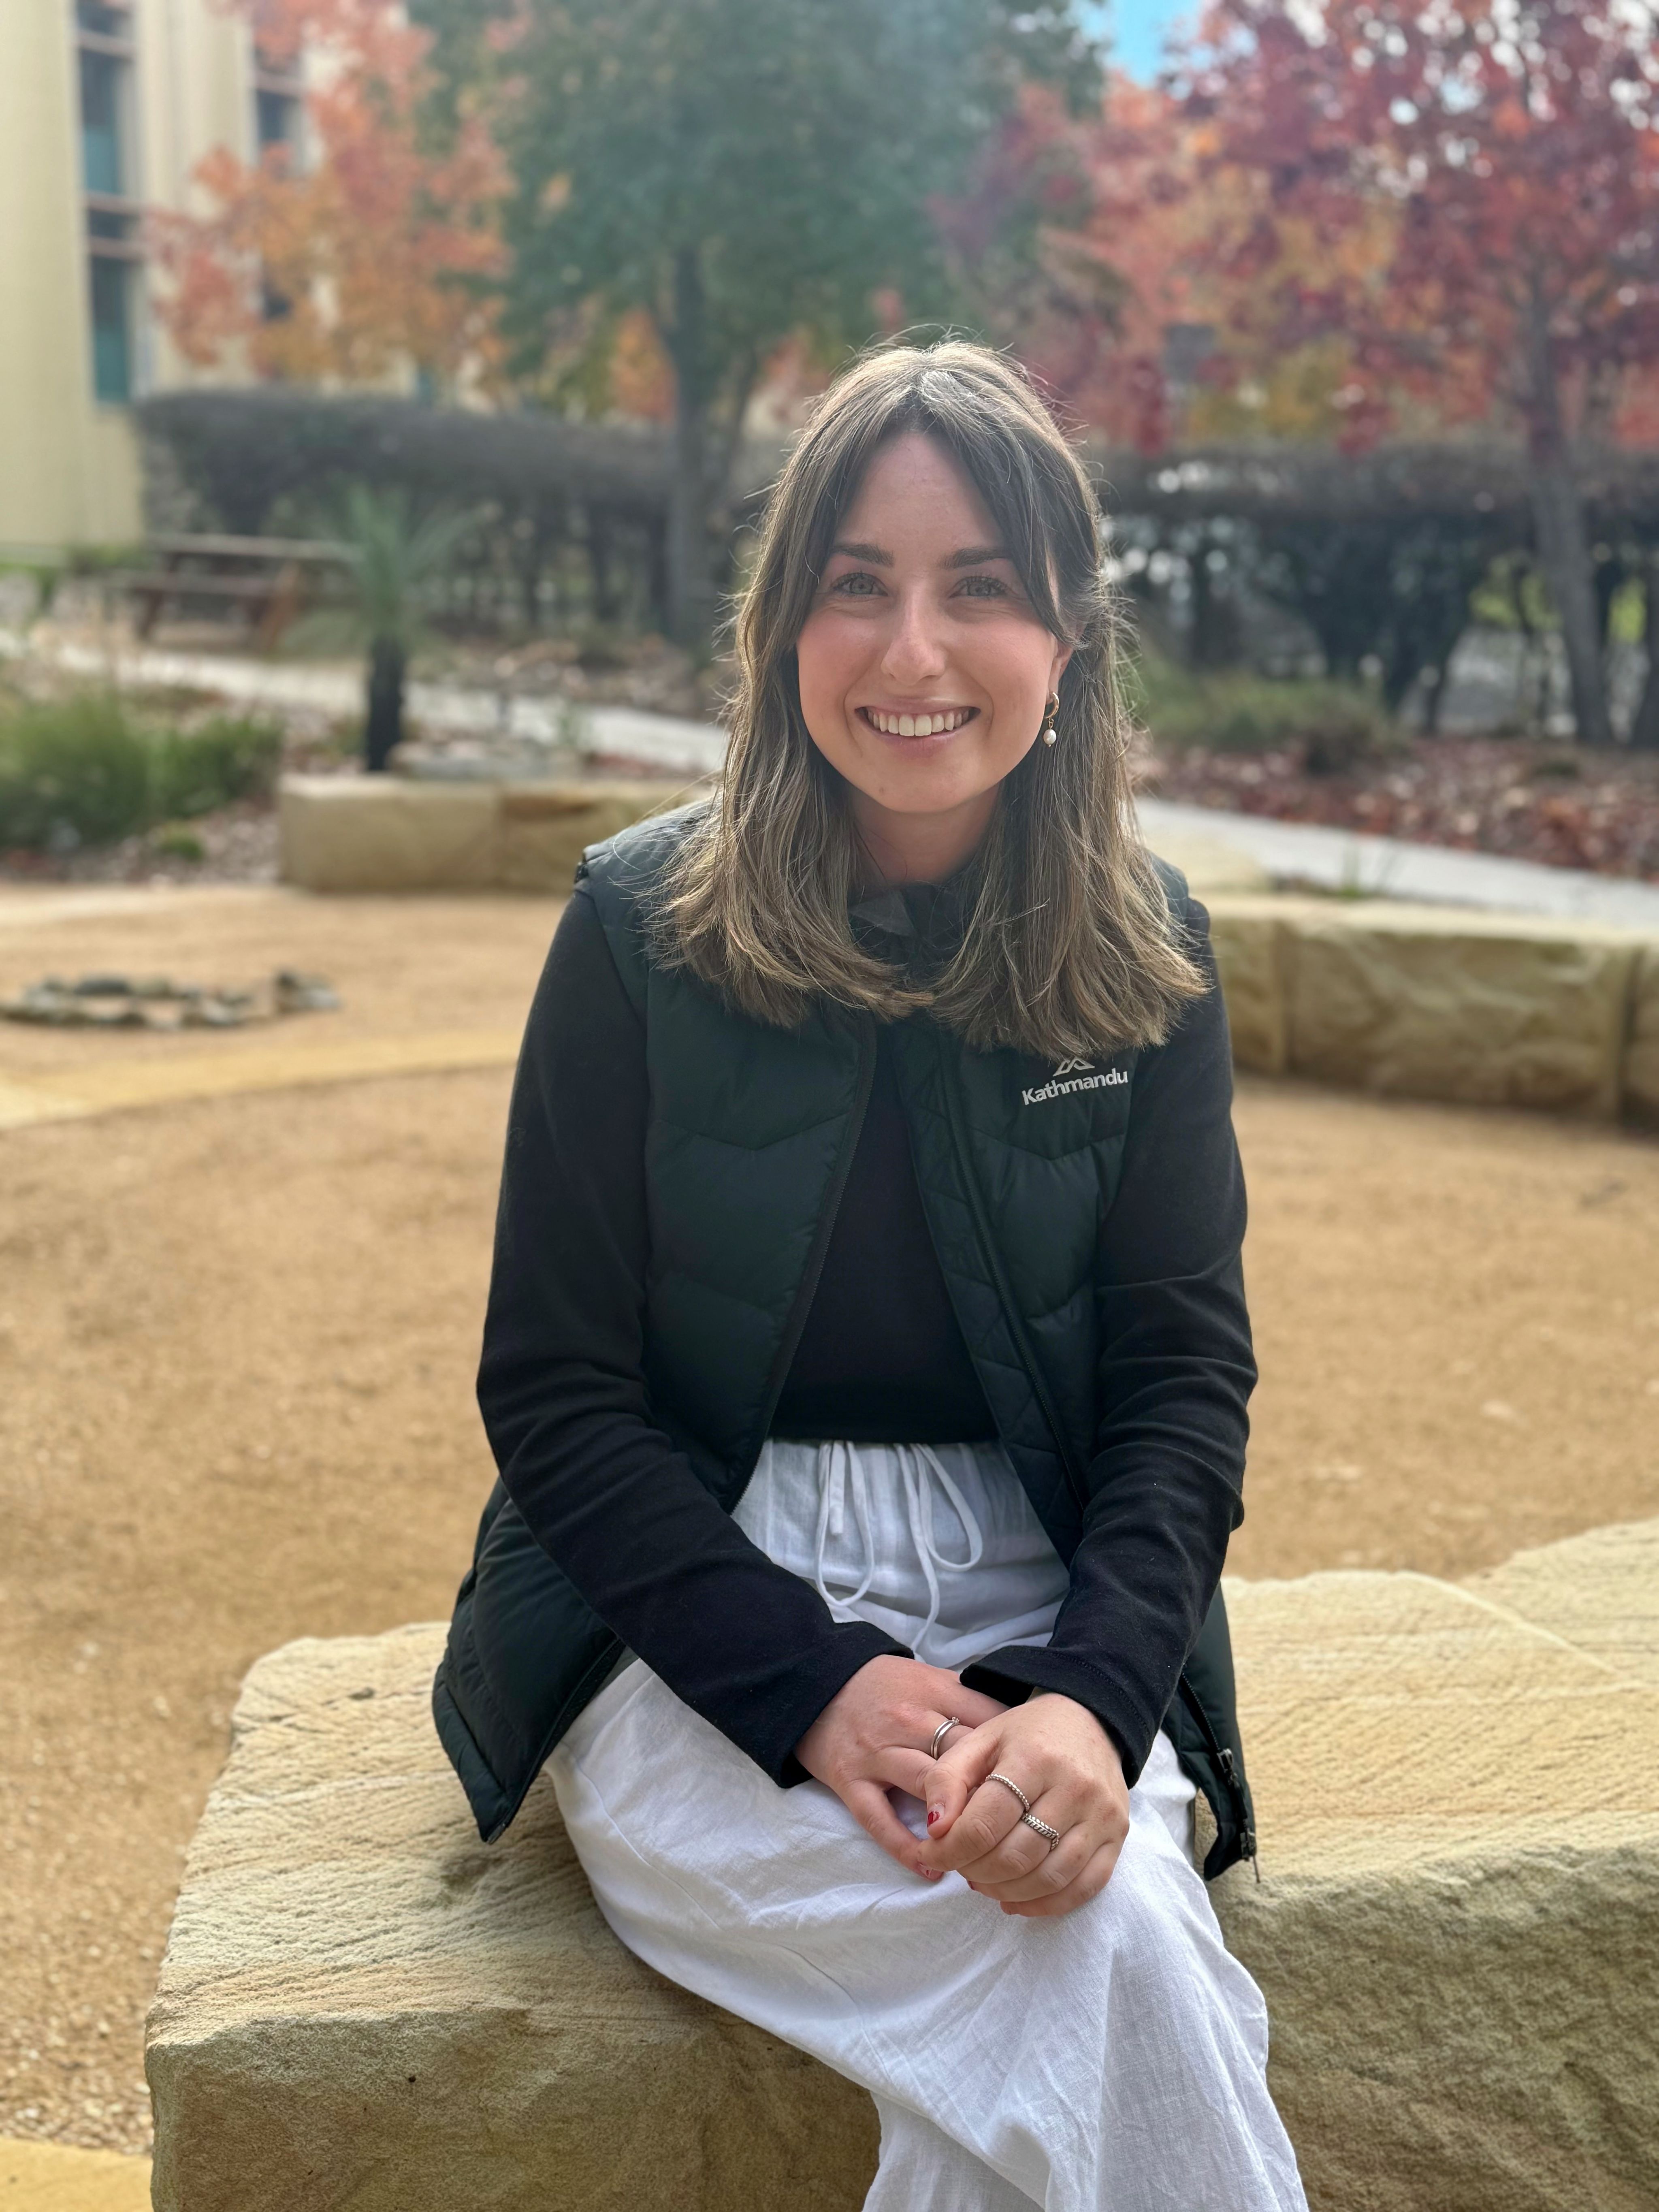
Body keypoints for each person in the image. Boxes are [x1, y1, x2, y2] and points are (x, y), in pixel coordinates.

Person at [433, 340, 1307, 2212]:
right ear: (781, 631)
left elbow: (1178, 1380)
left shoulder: (1151, 953)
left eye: (979, 587)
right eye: (859, 585)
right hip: (687, 1622)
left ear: (1066, 641)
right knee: (1102, 1958)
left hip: (1046, 1582)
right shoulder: (633, 936)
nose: (914, 653)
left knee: (1085, 1931)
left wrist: (1090, 1697)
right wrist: (811, 1684)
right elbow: (556, 1394)